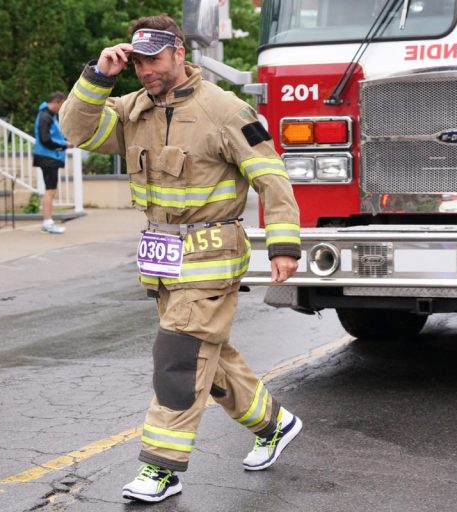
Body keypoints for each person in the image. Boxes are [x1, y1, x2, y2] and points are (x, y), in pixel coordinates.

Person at [60, 14, 303, 504]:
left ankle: (162, 469)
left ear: (177, 52)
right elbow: (76, 131)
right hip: (164, 262)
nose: (146, 69)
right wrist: (99, 77)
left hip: (211, 259)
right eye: (138, 61)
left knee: (178, 360)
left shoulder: (225, 109)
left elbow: (271, 177)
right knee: (207, 361)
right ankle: (274, 423)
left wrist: (283, 243)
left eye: (154, 58)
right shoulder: (132, 110)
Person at [33, 91, 69, 234]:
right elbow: (45, 140)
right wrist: (64, 145)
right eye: (62, 105)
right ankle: (47, 223)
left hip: (49, 158)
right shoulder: (45, 116)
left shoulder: (48, 115)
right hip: (48, 158)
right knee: (50, 191)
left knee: (51, 190)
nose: (61, 109)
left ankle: (48, 222)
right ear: (57, 102)